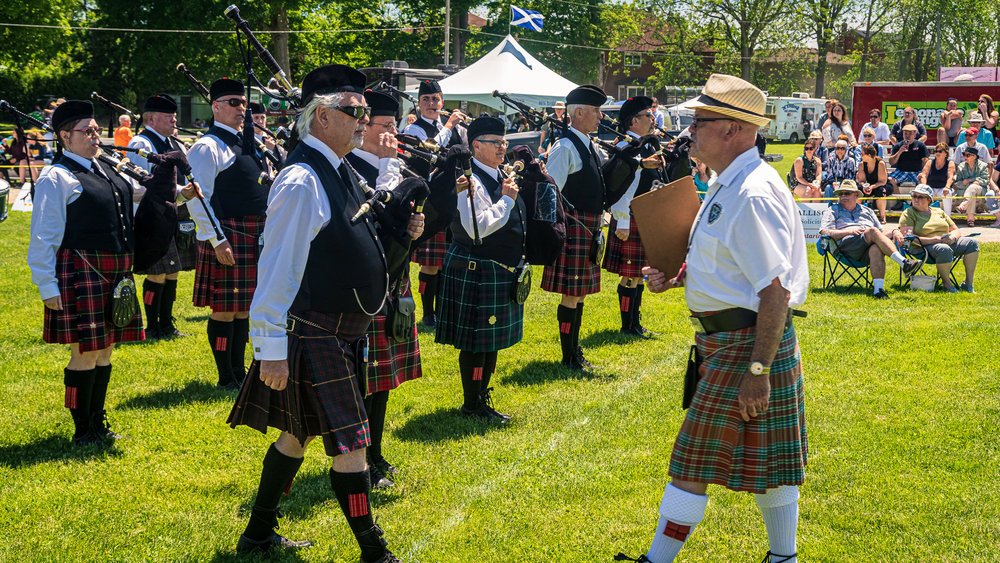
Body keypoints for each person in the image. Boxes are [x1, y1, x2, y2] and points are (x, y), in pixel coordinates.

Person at [226, 64, 419, 561]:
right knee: (352, 444)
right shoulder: (300, 180)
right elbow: (276, 273)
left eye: (365, 111)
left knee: (297, 435)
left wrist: (403, 231)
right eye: (354, 111)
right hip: (314, 332)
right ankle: (373, 551)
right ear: (319, 117)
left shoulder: (339, 167)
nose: (364, 120)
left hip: (340, 331)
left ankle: (257, 534)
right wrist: (270, 351)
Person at [623, 74, 809, 563]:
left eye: (698, 122)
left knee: (690, 463)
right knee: (770, 462)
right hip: (732, 341)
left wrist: (757, 371)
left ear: (732, 129)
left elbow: (775, 289)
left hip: (745, 345)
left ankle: (656, 561)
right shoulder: (729, 183)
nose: (688, 131)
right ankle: (783, 558)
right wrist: (681, 277)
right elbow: (734, 264)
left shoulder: (751, 193)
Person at [27, 101, 185, 446]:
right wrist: (46, 284)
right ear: (65, 136)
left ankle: (98, 421)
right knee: (84, 351)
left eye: (98, 129)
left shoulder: (106, 168)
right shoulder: (57, 176)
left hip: (115, 272)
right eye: (88, 131)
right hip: (81, 269)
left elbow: (133, 201)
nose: (95, 136)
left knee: (105, 349)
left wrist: (177, 192)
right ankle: (82, 428)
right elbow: (43, 234)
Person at [344, 89, 420, 488]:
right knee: (364, 377)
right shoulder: (350, 166)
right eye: (385, 127)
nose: (393, 134)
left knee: (384, 379)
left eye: (395, 126)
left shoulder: (395, 164)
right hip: (365, 283)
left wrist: (415, 230)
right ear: (364, 127)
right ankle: (359, 459)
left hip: (396, 277)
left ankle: (375, 452)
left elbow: (403, 222)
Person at [435, 116, 526, 422]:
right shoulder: (470, 180)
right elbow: (480, 229)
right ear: (476, 146)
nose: (503, 148)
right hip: (476, 267)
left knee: (491, 342)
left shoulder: (499, 173)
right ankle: (472, 404)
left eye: (504, 142)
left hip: (496, 268)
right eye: (496, 143)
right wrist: (507, 201)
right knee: (477, 342)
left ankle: (481, 396)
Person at [187, 78, 265, 390]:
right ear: (216, 106)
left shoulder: (245, 141)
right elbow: (198, 197)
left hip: (250, 234)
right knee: (224, 309)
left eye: (243, 102)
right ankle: (225, 375)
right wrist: (216, 239)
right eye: (233, 103)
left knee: (244, 307)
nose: (241, 108)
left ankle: (238, 369)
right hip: (228, 234)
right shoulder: (207, 147)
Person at [542, 84, 608, 371]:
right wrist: (552, 232)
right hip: (574, 226)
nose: (600, 116)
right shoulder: (564, 146)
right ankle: (569, 356)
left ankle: (574, 350)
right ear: (578, 113)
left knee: (579, 293)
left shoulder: (587, 143)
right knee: (572, 294)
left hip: (589, 226)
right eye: (596, 111)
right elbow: (550, 192)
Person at [128, 94, 194, 339]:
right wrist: (181, 192)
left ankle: (167, 324)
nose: (174, 120)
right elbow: (142, 184)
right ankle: (152, 326)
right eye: (169, 116)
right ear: (152, 118)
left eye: (174, 116)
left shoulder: (175, 143)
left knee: (173, 270)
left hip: (176, 213)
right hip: (153, 216)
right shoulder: (141, 143)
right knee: (157, 272)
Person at [404, 79, 469, 328]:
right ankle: (428, 313)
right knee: (430, 263)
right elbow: (430, 154)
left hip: (452, 198)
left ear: (442, 101)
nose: (432, 103)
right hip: (429, 200)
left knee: (445, 262)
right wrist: (450, 125)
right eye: (426, 99)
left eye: (436, 99)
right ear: (419, 104)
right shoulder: (415, 130)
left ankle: (441, 309)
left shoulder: (452, 129)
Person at [604, 96, 666, 337]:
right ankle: (627, 325)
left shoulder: (646, 145)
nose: (653, 119)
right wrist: (621, 220)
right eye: (648, 115)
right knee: (629, 276)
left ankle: (635, 322)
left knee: (639, 275)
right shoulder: (624, 147)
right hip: (628, 215)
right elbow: (622, 186)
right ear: (633, 121)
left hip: (644, 215)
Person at [819, 180, 920, 298]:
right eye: (840, 194)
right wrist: (848, 232)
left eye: (846, 193)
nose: (843, 196)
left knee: (876, 247)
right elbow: (824, 231)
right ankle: (904, 263)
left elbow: (880, 233)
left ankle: (878, 291)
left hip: (866, 248)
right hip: (844, 247)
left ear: (856, 195)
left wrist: (894, 231)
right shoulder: (832, 210)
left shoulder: (867, 211)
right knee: (871, 231)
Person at [892, 185, 979, 293]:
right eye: (914, 196)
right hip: (922, 247)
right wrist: (934, 240)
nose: (916, 199)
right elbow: (909, 237)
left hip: (945, 241)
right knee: (943, 248)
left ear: (929, 200)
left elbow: (956, 230)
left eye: (920, 197)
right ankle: (947, 285)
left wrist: (952, 237)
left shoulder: (938, 211)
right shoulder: (909, 213)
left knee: (972, 242)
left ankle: (968, 284)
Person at [954, 146, 996, 227]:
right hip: (967, 192)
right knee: (972, 190)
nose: (965, 157)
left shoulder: (983, 166)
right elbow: (957, 183)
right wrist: (965, 183)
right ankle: (970, 219)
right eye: (964, 154)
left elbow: (986, 180)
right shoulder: (961, 166)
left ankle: (964, 204)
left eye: (968, 155)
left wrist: (970, 180)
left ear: (974, 156)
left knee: (973, 187)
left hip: (981, 192)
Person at [887, 124, 928, 198]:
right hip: (901, 171)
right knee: (890, 180)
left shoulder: (920, 145)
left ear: (914, 135)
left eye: (910, 133)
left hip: (916, 171)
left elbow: (926, 161)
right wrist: (899, 152)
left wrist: (923, 173)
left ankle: (919, 201)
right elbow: (891, 162)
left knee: (923, 180)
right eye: (905, 133)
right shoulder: (898, 145)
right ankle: (900, 201)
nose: (907, 136)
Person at [918, 142, 956, 215]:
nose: (937, 153)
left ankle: (948, 217)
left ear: (946, 153)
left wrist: (947, 187)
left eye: (940, 151)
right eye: (935, 151)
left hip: (943, 188)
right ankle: (922, 216)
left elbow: (950, 177)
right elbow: (924, 175)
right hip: (931, 188)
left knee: (947, 193)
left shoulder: (950, 163)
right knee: (921, 191)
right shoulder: (930, 162)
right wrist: (924, 186)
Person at [856, 144, 890, 223]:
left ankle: (882, 216)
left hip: (880, 185)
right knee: (858, 191)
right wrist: (865, 187)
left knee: (881, 191)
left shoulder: (880, 163)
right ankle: (856, 215)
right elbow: (861, 180)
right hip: (868, 185)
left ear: (868, 155)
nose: (860, 156)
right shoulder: (861, 164)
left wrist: (872, 187)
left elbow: (883, 181)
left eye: (862, 154)